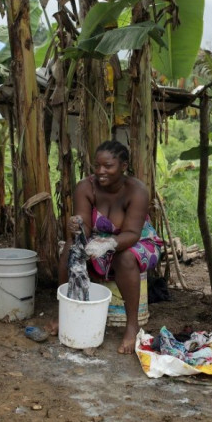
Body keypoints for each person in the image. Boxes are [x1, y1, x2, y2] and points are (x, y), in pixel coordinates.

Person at [56, 140, 164, 354]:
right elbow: (85, 228)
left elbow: (132, 234)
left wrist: (110, 243)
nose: (100, 171)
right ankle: (62, 314)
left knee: (123, 257)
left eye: (108, 166)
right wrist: (76, 226)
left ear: (123, 166)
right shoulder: (86, 187)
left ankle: (132, 326)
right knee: (71, 246)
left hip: (138, 241)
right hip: (98, 239)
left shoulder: (137, 191)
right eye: (97, 166)